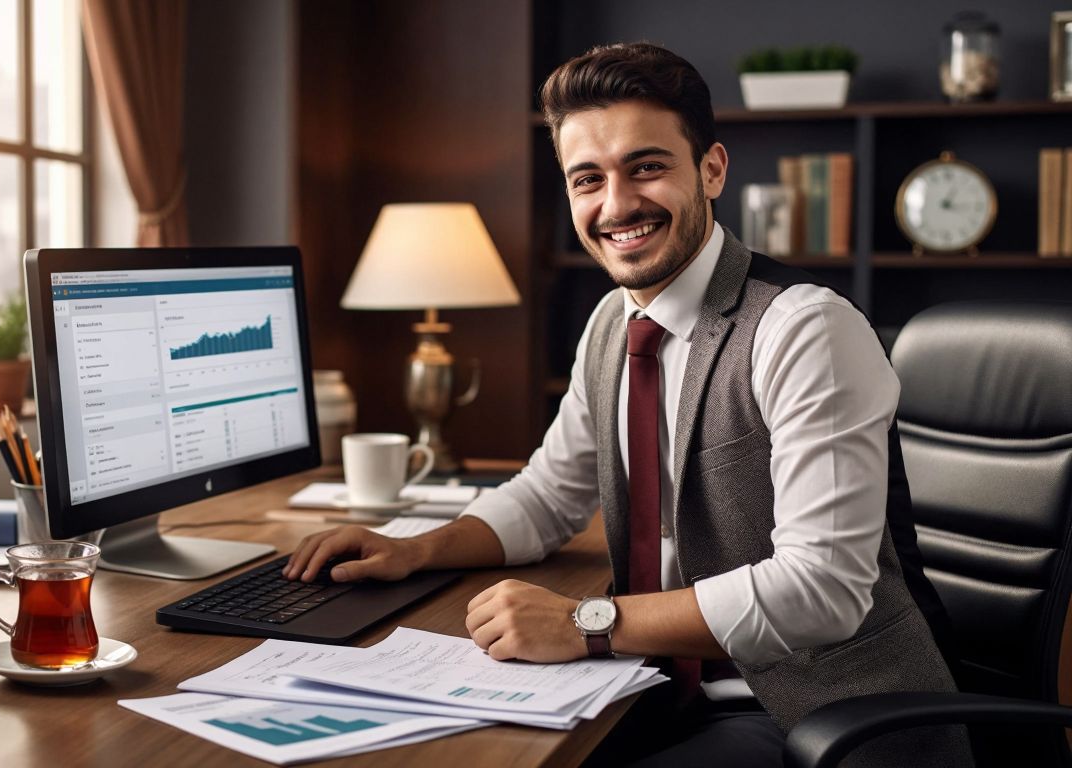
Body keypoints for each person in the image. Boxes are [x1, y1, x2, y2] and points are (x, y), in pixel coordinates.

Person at [284, 43, 971, 767]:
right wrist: (414, 550)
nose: (616, 206)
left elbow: (821, 591)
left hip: (811, 713)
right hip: (650, 683)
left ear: (711, 169)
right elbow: (550, 495)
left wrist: (586, 622)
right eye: (588, 179)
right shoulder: (614, 325)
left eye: (646, 167)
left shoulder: (804, 328)